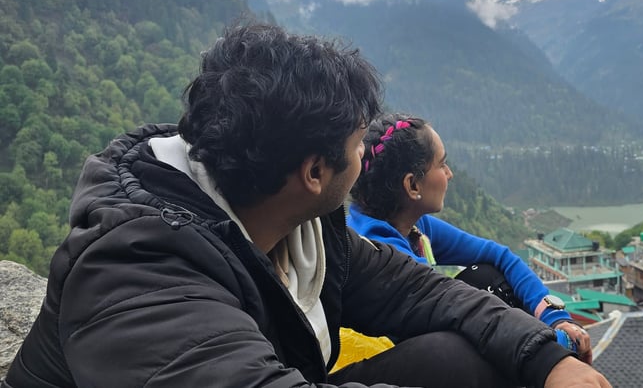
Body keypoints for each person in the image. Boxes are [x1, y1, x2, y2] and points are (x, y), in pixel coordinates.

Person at [3, 22, 610, 388]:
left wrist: (544, 359)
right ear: (315, 172)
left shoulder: (299, 223)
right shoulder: (138, 272)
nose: (364, 155)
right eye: (358, 143)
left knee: (454, 357)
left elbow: (421, 292)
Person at [348, 113, 593, 363]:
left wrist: (554, 317)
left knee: (485, 276)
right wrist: (553, 345)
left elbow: (498, 255)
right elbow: (455, 309)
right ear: (413, 186)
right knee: (479, 300)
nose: (450, 173)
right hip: (401, 363)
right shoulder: (381, 250)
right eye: (442, 164)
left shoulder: (410, 224)